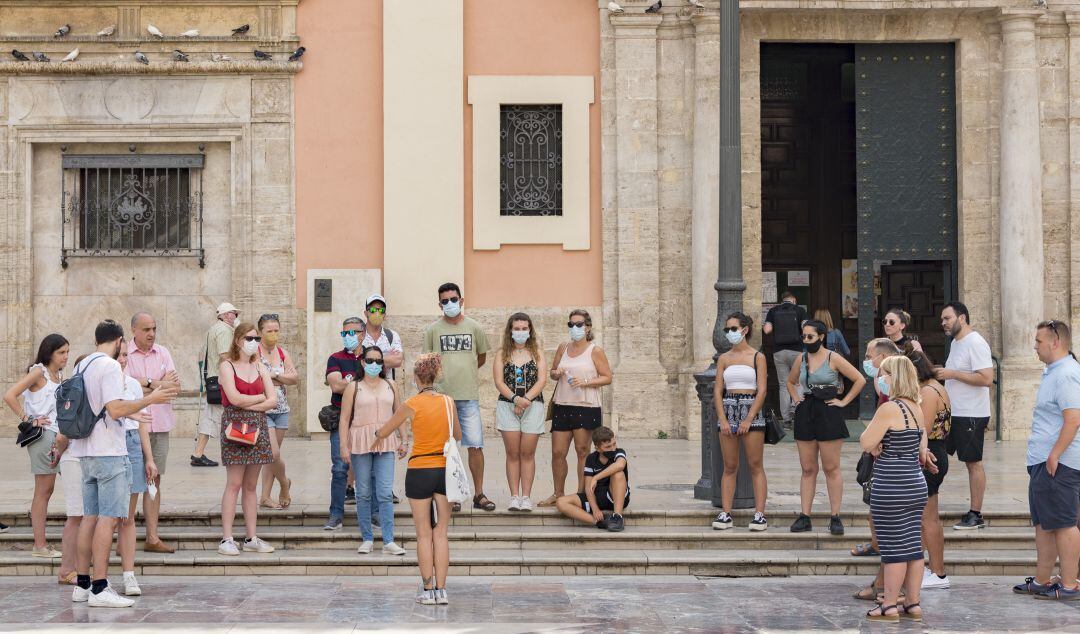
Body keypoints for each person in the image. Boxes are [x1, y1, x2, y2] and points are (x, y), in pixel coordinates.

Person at [70, 320, 176, 608]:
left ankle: (82, 584)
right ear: (118, 340)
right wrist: (149, 399)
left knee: (89, 517)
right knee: (110, 517)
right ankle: (100, 587)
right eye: (124, 345)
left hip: (86, 451)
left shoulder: (83, 364)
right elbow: (115, 409)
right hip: (109, 451)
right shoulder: (108, 366)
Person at [372, 353, 459, 605]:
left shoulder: (411, 403)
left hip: (419, 469)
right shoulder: (448, 402)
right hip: (444, 471)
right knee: (440, 533)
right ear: (437, 375)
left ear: (416, 377)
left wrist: (375, 432)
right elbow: (458, 432)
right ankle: (442, 591)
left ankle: (428, 589)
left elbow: (385, 430)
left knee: (423, 534)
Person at [1013, 320, 1080, 601]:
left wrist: (1054, 454)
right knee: (1043, 523)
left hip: (1058, 462)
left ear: (1055, 342)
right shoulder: (1052, 372)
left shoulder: (1066, 374)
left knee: (1064, 523)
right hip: (1043, 461)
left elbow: (1073, 418)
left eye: (1039, 341)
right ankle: (1042, 580)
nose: (1034, 346)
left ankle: (1069, 584)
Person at [860, 355, 930, 622]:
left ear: (895, 377)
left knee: (892, 548)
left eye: (884, 374)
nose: (880, 379)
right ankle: (912, 603)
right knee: (913, 546)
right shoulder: (916, 407)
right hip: (914, 482)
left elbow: (866, 442)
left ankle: (888, 605)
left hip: (891, 484)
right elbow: (920, 448)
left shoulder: (890, 408)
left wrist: (877, 444)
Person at [786, 319, 866, 535]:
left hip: (828, 410)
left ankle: (835, 516)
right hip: (806, 411)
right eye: (803, 336)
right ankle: (805, 516)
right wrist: (796, 399)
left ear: (821, 337)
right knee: (808, 468)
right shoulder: (801, 358)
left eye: (810, 336)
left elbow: (859, 379)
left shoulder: (833, 357)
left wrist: (844, 401)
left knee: (831, 467)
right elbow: (790, 381)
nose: (806, 340)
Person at [422, 282, 492, 512]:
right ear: (439, 304)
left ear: (461, 301)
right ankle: (450, 495)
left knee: (475, 445)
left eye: (454, 299)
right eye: (445, 301)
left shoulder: (475, 327)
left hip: (468, 396)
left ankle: (479, 494)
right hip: (441, 398)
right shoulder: (433, 330)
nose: (450, 304)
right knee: (445, 449)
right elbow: (427, 362)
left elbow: (480, 358)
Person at [539, 309, 613, 508]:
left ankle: (581, 495)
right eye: (571, 325)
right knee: (557, 452)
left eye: (579, 324)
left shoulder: (595, 350)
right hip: (563, 405)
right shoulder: (563, 347)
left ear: (587, 327)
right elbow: (553, 373)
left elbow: (607, 377)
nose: (575, 328)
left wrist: (586, 381)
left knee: (582, 451)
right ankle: (558, 493)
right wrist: (558, 372)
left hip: (586, 406)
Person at [216, 322, 279, 556]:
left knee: (251, 485)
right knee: (234, 483)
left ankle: (251, 536)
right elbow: (234, 399)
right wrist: (258, 400)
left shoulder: (260, 366)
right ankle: (227, 538)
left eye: (256, 338)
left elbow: (273, 400)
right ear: (238, 339)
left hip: (258, 428)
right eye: (249, 337)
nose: (253, 342)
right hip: (235, 426)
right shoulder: (227, 366)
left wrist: (253, 402)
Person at [4, 334, 69, 559]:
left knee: (48, 490)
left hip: (58, 436)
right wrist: (28, 419)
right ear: (49, 352)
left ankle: (41, 544)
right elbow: (9, 395)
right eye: (61, 352)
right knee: (43, 490)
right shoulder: (38, 372)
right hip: (43, 437)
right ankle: (39, 545)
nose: (65, 357)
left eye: (67, 352)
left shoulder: (58, 375)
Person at [338, 346, 407, 556]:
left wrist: (404, 439)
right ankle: (367, 537)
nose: (374, 365)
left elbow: (399, 413)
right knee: (364, 492)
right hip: (360, 441)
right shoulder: (354, 387)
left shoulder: (391, 385)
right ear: (362, 362)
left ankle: (388, 540)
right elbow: (344, 417)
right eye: (370, 360)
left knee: (385, 492)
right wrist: (343, 445)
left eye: (378, 361)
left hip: (385, 441)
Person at [850, 338, 904, 603]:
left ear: (883, 357)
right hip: (899, 469)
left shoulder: (896, 396)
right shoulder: (893, 389)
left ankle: (886, 589)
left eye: (870, 356)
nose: (868, 361)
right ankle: (898, 591)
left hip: (892, 469)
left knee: (892, 533)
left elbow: (868, 439)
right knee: (896, 534)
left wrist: (874, 441)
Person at [935, 302, 993, 530]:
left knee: (973, 463)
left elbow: (986, 378)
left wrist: (953, 374)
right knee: (934, 454)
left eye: (947, 318)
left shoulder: (976, 342)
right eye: (942, 319)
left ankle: (975, 514)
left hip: (971, 414)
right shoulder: (957, 343)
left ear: (962, 318)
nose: (943, 323)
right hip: (952, 413)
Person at [125, 312, 180, 553]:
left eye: (154, 328)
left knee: (154, 481)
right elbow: (126, 389)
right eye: (146, 329)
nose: (151, 334)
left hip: (160, 424)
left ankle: (152, 537)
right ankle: (123, 538)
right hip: (134, 426)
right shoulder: (124, 354)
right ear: (134, 330)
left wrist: (146, 385)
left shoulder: (163, 352)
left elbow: (175, 388)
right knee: (130, 484)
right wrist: (157, 382)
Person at [711, 312, 769, 531]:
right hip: (728, 407)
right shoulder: (724, 358)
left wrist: (749, 418)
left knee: (755, 465)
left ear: (745, 330)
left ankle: (760, 514)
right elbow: (718, 390)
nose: (729, 333)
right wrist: (723, 418)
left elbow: (762, 390)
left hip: (750, 408)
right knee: (729, 465)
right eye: (727, 329)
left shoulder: (757, 357)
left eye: (733, 329)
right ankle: (726, 513)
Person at [493, 312, 547, 512]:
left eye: (524, 329)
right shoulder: (502, 354)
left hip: (533, 406)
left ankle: (526, 497)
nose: (521, 332)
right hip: (507, 405)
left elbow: (542, 380)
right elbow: (498, 381)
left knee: (528, 452)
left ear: (530, 330)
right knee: (513, 453)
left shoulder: (537, 352)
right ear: (510, 330)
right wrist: (515, 399)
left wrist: (525, 401)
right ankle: (514, 496)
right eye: (517, 328)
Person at [114, 344, 157, 597]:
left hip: (131, 441)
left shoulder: (132, 384)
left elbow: (141, 423)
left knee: (128, 517)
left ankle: (129, 575)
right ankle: (96, 576)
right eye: (118, 355)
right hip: (109, 442)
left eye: (124, 355)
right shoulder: (100, 380)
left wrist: (148, 458)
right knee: (106, 518)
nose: (122, 360)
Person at [908, 349, 952, 590]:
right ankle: (930, 569)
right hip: (937, 450)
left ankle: (938, 572)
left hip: (931, 453)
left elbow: (921, 430)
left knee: (929, 519)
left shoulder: (927, 391)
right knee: (927, 518)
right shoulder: (937, 385)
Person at [324, 315, 365, 530]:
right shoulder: (335, 358)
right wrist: (361, 384)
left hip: (367, 421)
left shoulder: (372, 358)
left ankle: (372, 514)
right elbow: (336, 386)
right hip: (341, 419)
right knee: (340, 468)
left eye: (352, 333)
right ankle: (336, 514)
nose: (348, 337)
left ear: (363, 334)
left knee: (369, 470)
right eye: (344, 333)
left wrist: (348, 382)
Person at [256, 314, 299, 510]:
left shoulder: (282, 353)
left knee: (270, 457)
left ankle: (265, 496)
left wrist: (273, 376)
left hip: (281, 408)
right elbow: (256, 380)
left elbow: (294, 378)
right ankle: (284, 482)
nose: (273, 334)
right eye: (269, 331)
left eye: (276, 330)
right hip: (263, 408)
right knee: (272, 453)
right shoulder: (254, 352)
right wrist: (281, 378)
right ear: (260, 333)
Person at [555, 426, 630, 532]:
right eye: (608, 446)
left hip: (614, 495)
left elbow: (620, 465)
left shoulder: (619, 452)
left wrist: (596, 477)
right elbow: (588, 487)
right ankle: (601, 522)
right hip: (597, 496)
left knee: (618, 474)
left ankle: (617, 517)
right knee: (561, 502)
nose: (613, 448)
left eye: (614, 444)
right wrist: (595, 509)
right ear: (598, 448)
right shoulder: (591, 458)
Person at [195, 302, 239, 466]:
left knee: (210, 415)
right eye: (234, 313)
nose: (235, 317)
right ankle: (233, 450)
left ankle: (198, 453)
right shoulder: (224, 330)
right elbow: (224, 354)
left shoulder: (213, 329)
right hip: (222, 378)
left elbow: (202, 354)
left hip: (213, 377)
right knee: (227, 414)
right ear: (226, 315)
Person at [764, 291, 809, 426]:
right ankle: (796, 409)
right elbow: (806, 328)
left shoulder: (773, 311)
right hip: (797, 351)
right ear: (793, 300)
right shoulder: (800, 310)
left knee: (783, 385)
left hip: (779, 351)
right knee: (798, 382)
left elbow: (767, 330)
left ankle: (786, 419)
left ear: (782, 300)